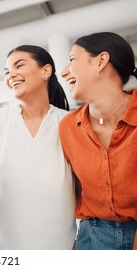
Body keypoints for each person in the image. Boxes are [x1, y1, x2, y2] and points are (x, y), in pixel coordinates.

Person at [0, 45, 76, 249]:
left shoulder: (70, 122)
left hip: (59, 247)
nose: (11, 75)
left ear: (46, 71)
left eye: (19, 65)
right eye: (7, 71)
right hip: (3, 250)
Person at [59, 32, 137, 250]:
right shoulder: (68, 127)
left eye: (72, 60)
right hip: (92, 239)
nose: (64, 72)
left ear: (101, 61)